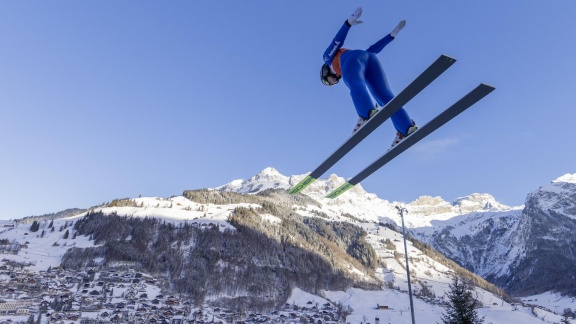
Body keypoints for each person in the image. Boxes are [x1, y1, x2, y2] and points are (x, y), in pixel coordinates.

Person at [321, 7, 418, 148]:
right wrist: (391, 36)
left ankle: (366, 113)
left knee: (354, 83)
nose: (332, 83)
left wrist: (347, 24)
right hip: (369, 58)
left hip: (353, 59)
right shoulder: (344, 68)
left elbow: (337, 42)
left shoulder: (328, 59)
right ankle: (406, 128)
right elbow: (372, 51)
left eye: (327, 82)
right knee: (385, 97)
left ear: (325, 74)